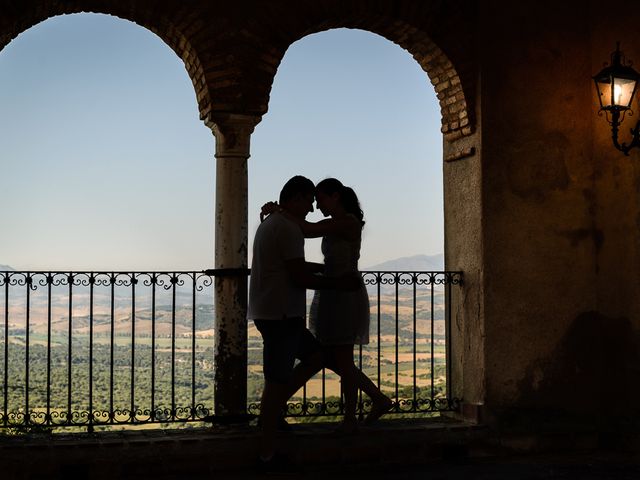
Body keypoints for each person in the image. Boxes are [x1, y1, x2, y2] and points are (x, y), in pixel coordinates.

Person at [262, 178, 392, 434]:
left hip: (343, 292)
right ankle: (354, 415)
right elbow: (311, 229)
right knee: (342, 360)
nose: (316, 205)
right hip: (335, 290)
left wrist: (281, 211)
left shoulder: (348, 222)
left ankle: (371, 404)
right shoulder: (339, 222)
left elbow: (309, 230)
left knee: (341, 359)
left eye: (320, 198)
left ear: (335, 196)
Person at [248, 175, 357, 468]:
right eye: (309, 201)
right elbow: (298, 276)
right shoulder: (287, 227)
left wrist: (323, 270)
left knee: (316, 356)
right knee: (276, 380)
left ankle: (271, 413)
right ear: (296, 199)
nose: (311, 207)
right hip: (280, 314)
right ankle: (267, 449)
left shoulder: (274, 223)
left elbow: (291, 266)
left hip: (277, 312)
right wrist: (337, 284)